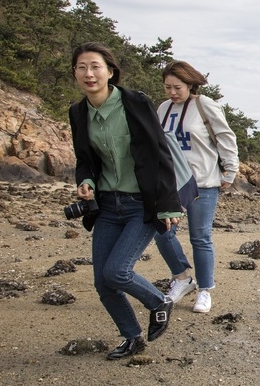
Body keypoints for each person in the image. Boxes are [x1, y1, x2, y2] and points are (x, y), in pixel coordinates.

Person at [68, 42, 183, 360]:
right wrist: (86, 181)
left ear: (110, 71)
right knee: (103, 283)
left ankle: (159, 302)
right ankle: (132, 337)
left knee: (117, 271)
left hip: (139, 205)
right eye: (82, 67)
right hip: (106, 206)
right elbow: (84, 158)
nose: (89, 73)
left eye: (95, 66)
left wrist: (169, 203)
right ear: (75, 73)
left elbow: (160, 151)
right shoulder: (78, 112)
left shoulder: (135, 102)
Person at [155, 60, 239, 313]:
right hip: (172, 184)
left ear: (190, 84)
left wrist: (231, 169)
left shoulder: (205, 105)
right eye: (167, 87)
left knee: (200, 237)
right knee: (162, 232)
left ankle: (204, 290)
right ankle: (182, 277)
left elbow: (225, 137)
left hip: (204, 182)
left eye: (177, 87)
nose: (172, 92)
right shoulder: (163, 109)